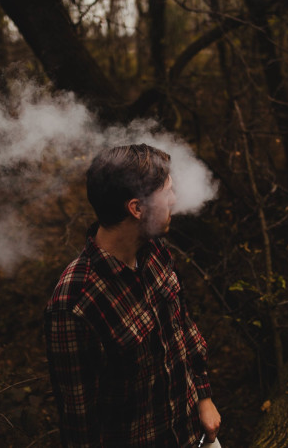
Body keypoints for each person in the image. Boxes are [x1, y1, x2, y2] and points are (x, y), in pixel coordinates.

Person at [45, 144, 221, 447]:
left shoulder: (155, 252)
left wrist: (203, 397)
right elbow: (79, 426)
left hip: (194, 433)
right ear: (137, 209)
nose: (175, 201)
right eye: (167, 193)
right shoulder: (73, 306)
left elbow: (183, 329)